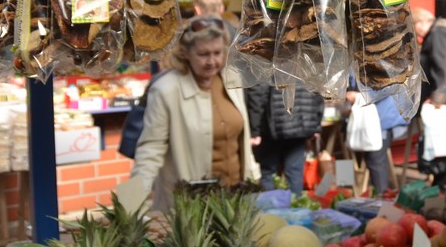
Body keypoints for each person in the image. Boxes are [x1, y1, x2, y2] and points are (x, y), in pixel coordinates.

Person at [131, 15, 260, 211]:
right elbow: (150, 150)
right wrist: (127, 204)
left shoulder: (232, 79)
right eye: (203, 54)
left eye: (217, 53)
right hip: (191, 207)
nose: (212, 61)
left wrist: (254, 178)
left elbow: (241, 142)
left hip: (236, 201)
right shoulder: (166, 90)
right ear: (185, 52)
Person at [247, 84, 324, 195]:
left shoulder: (266, 65)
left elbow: (257, 93)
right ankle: (295, 209)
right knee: (295, 172)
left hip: (272, 127)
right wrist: (316, 124)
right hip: (301, 124)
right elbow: (318, 88)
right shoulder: (309, 65)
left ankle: (269, 209)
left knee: (268, 172)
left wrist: (255, 130)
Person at [412, 7, 446, 186]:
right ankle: (442, 191)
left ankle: (443, 193)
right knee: (441, 151)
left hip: (444, 101)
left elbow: (442, 67)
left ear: (422, 22)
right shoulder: (439, 32)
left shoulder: (438, 33)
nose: (415, 30)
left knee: (442, 152)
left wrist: (439, 97)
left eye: (414, 25)